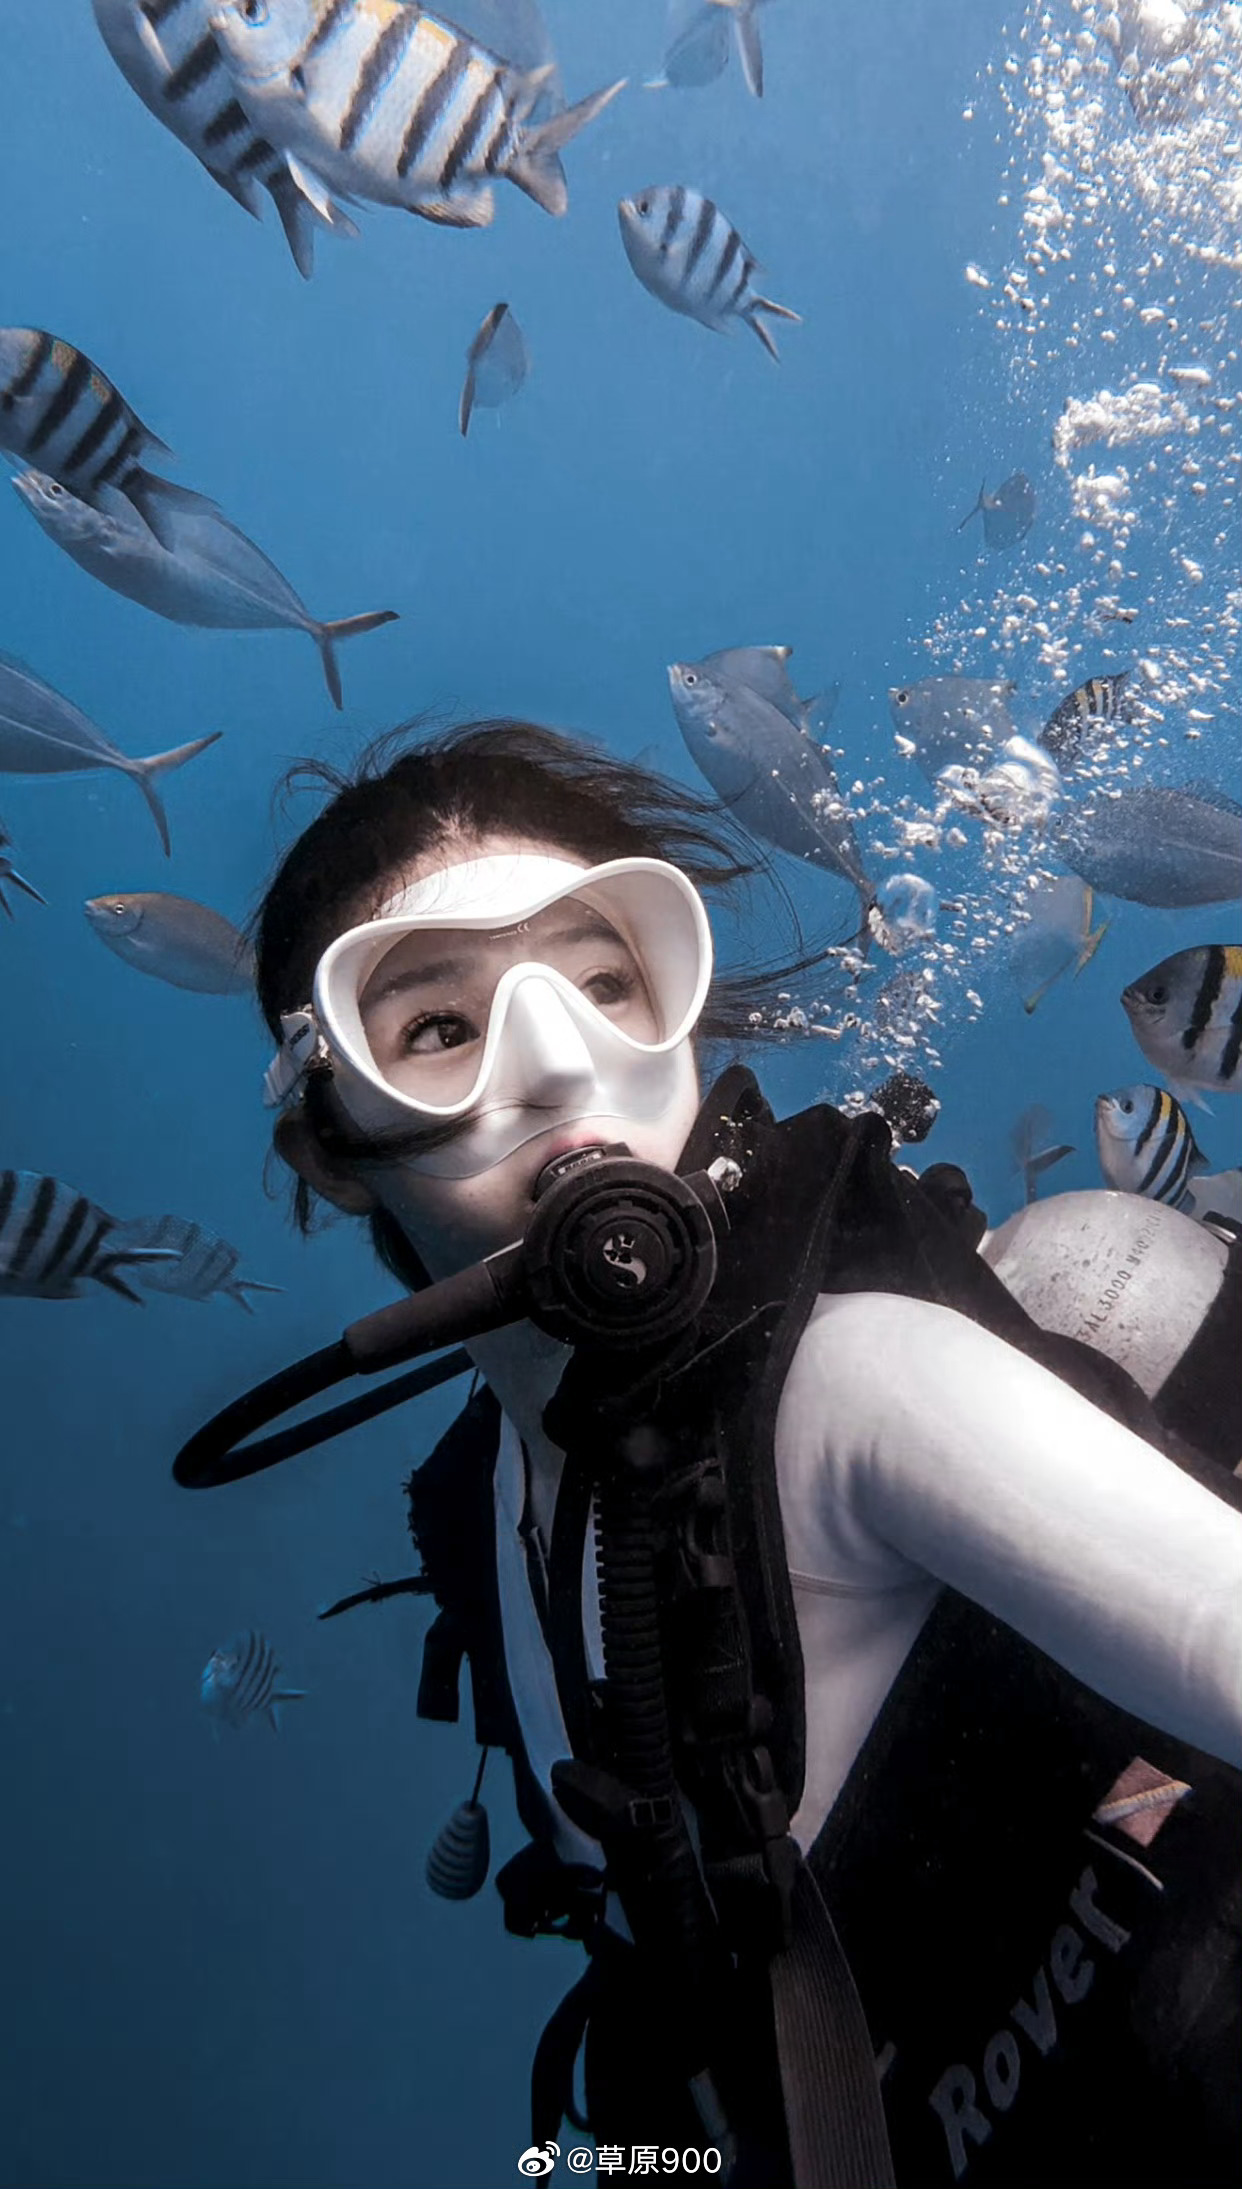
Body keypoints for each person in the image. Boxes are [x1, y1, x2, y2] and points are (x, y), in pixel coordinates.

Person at [252, 720, 1242, 2189]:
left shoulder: (852, 1389)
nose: (560, 1068)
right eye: (441, 1029)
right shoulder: (484, 1506)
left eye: (606, 985)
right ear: (331, 1134)